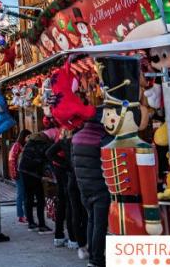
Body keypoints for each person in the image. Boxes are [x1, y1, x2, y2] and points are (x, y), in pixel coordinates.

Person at [72, 113, 112, 266]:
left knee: (92, 221)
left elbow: (73, 162)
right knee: (99, 225)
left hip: (84, 187)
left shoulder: (76, 137)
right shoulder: (102, 138)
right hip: (100, 187)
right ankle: (97, 260)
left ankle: (91, 257)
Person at [18, 132, 53, 234]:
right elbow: (47, 160)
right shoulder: (43, 145)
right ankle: (42, 225)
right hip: (34, 174)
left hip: (24, 172)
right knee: (40, 199)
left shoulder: (28, 144)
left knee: (28, 198)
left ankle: (31, 224)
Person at [46, 130, 76, 248]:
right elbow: (49, 153)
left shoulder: (62, 136)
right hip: (67, 173)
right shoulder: (69, 139)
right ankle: (72, 238)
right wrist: (67, 164)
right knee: (70, 205)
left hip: (60, 171)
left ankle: (59, 236)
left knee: (62, 204)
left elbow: (49, 153)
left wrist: (62, 164)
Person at [9, 129, 31, 224]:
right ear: (24, 136)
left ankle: (25, 215)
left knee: (24, 194)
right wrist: (14, 173)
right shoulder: (17, 145)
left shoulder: (22, 145)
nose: (28, 139)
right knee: (20, 194)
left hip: (23, 173)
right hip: (19, 173)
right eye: (28, 137)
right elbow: (12, 160)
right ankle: (21, 215)